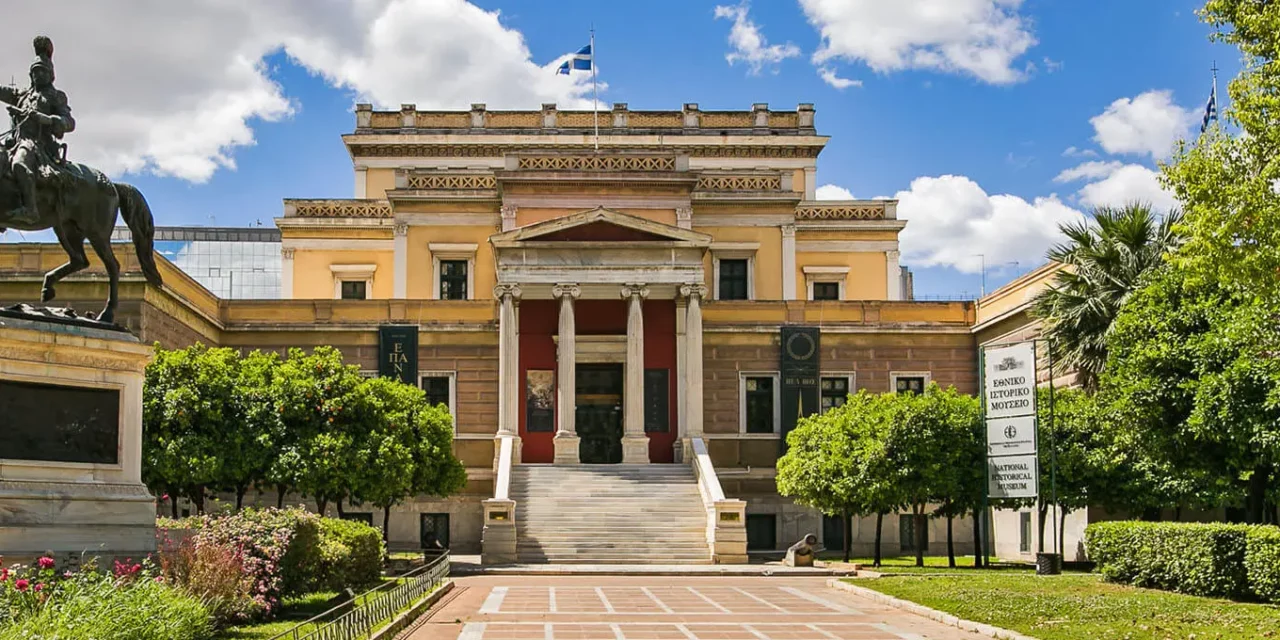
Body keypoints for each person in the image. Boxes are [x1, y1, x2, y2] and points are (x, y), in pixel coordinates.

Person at [0, 36, 75, 225]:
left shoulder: (56, 97)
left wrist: (46, 119)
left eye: (42, 72)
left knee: (19, 164)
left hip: (38, 145)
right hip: (16, 141)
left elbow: (69, 122)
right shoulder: (22, 95)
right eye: (34, 72)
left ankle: (30, 210)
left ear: (50, 75)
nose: (37, 75)